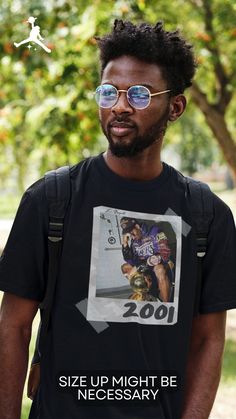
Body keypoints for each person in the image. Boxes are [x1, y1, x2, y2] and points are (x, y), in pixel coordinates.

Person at [0, 19, 236, 419]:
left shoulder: (206, 215)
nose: (120, 106)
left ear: (174, 107)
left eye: (140, 95)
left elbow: (207, 340)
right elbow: (14, 328)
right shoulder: (51, 200)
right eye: (109, 92)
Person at [120, 217, 173, 301]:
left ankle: (165, 304)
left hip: (159, 264)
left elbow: (165, 253)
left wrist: (139, 266)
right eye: (129, 235)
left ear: (137, 226)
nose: (132, 237)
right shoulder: (134, 241)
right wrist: (125, 245)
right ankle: (143, 291)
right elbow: (130, 261)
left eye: (132, 233)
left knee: (159, 269)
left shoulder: (156, 231)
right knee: (125, 267)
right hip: (145, 267)